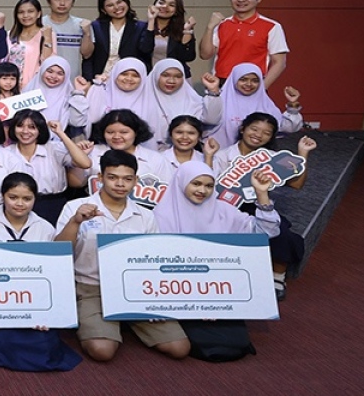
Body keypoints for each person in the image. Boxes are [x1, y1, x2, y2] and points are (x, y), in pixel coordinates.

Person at [55, 149, 191, 362]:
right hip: (91, 288)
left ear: (136, 180)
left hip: (135, 288)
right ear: (100, 178)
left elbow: (153, 261)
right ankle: (110, 323)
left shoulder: (145, 215)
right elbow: (59, 253)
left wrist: (154, 302)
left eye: (127, 179)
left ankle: (126, 320)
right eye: (113, 177)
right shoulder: (75, 207)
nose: (120, 184)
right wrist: (75, 222)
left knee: (179, 348)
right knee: (102, 350)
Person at [154, 161, 280, 361]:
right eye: (196, 183)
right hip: (178, 292)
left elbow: (266, 232)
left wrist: (262, 194)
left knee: (235, 342)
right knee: (208, 341)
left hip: (218, 289)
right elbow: (156, 266)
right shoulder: (161, 215)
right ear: (181, 182)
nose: (202, 190)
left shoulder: (223, 210)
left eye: (209, 186)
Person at [0, 173, 83, 372]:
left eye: (27, 198)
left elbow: (52, 272)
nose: (19, 204)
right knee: (3, 341)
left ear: (35, 199)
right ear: (2, 196)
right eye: (13, 197)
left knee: (44, 344)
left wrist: (46, 311)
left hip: (32, 296)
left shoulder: (44, 226)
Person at [208, 112, 316, 299]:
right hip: (224, 206)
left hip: (258, 204)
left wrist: (303, 153)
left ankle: (278, 275)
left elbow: (296, 184)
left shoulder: (272, 158)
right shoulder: (223, 155)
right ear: (243, 129)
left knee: (282, 232)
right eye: (254, 129)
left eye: (266, 133)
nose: (258, 135)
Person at [4, 110, 91, 225]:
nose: (25, 131)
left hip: (54, 204)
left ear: (40, 130)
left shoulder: (54, 148)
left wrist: (60, 133)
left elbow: (85, 163)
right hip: (17, 207)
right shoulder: (6, 153)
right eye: (20, 126)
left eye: (32, 127)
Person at [199, 0, 289, 86]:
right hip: (221, 82)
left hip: (251, 84)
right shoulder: (222, 24)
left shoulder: (272, 26)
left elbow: (279, 63)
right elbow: (205, 55)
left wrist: (262, 88)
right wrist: (209, 27)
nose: (241, 0)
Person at [213, 62, 303, 148]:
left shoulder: (265, 104)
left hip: (256, 156)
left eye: (255, 81)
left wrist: (293, 104)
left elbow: (287, 128)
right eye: (243, 79)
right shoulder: (218, 101)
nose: (249, 84)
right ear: (234, 79)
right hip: (218, 153)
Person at [72, 57, 160, 143]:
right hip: (98, 148)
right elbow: (78, 122)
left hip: (138, 150)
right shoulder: (98, 92)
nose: (129, 78)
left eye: (135, 76)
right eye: (124, 74)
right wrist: (79, 93)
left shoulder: (149, 101)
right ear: (115, 74)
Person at [82, 109, 175, 188]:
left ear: (136, 132)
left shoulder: (155, 159)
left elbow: (169, 189)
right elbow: (78, 183)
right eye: (110, 132)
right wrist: (80, 156)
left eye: (124, 132)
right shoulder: (93, 152)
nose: (116, 136)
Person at [146, 60, 221, 147]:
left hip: (184, 151)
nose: (171, 80)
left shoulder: (192, 101)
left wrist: (213, 91)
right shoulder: (143, 100)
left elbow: (212, 120)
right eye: (165, 75)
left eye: (178, 76)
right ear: (156, 75)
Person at [81, 0, 151, 79]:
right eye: (110, 5)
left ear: (127, 3)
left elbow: (146, 51)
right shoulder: (95, 26)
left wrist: (151, 21)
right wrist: (89, 79)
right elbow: (89, 58)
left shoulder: (140, 27)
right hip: (100, 78)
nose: (117, 7)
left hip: (128, 79)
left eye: (119, 2)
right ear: (103, 10)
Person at [25, 56, 86, 135]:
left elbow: (77, 122)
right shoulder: (28, 91)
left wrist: (79, 93)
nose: (53, 76)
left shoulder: (70, 96)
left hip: (56, 141)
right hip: (25, 138)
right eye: (50, 71)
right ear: (42, 70)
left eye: (60, 73)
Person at [142, 0, 195, 75]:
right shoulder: (142, 27)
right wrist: (151, 20)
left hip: (175, 77)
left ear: (177, 11)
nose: (165, 6)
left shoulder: (184, 29)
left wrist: (187, 32)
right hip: (149, 76)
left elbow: (188, 57)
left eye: (171, 5)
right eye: (161, 3)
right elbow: (145, 50)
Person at [42, 0, 86, 80]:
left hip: (73, 80)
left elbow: (87, 54)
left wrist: (88, 34)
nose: (62, 3)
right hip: (44, 79)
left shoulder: (82, 24)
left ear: (73, 2)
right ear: (49, 2)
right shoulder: (39, 24)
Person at [2, 0, 48, 87]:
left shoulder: (46, 34)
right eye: (21, 12)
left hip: (35, 86)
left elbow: (47, 61)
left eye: (30, 11)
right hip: (10, 86)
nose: (25, 15)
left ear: (39, 14)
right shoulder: (9, 35)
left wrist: (48, 38)